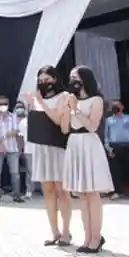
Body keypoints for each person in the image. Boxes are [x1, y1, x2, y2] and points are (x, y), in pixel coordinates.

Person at [61, 66, 113, 254]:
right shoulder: (71, 99)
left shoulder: (96, 100)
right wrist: (66, 109)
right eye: (71, 77)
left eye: (75, 77)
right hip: (74, 142)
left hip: (89, 143)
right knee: (81, 195)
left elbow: (92, 126)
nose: (73, 80)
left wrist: (76, 109)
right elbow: (65, 128)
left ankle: (96, 238)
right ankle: (87, 236)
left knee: (92, 193)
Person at [26, 65, 72, 247]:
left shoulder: (64, 96)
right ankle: (54, 232)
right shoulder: (37, 98)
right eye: (41, 80)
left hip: (57, 147)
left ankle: (66, 232)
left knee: (62, 190)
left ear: (55, 79)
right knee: (48, 190)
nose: (44, 83)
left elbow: (58, 119)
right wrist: (34, 103)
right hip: (41, 148)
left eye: (47, 79)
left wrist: (41, 103)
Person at [104, 99, 129, 201]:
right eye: (113, 106)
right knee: (116, 171)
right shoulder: (109, 120)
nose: (115, 107)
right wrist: (109, 149)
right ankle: (118, 192)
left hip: (128, 146)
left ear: (122, 107)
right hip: (114, 147)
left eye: (117, 105)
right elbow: (106, 136)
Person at [0, 95, 24, 203]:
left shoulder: (13, 117)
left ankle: (16, 195)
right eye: (1, 104)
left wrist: (6, 136)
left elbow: (16, 131)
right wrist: (2, 145)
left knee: (15, 173)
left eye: (5, 104)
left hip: (12, 148)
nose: (3, 106)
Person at [15, 101, 36, 199]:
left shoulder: (41, 121)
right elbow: (20, 138)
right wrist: (20, 151)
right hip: (29, 150)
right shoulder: (23, 122)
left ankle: (45, 190)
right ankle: (29, 191)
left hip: (41, 150)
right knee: (30, 171)